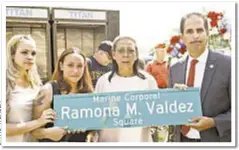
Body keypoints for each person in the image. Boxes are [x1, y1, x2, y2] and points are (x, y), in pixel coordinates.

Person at [169, 12, 231, 142]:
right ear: (183, 37)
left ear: (207, 33)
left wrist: (214, 122)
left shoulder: (228, 65)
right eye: (189, 31)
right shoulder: (175, 69)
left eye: (200, 30)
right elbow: (169, 110)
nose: (195, 36)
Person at [95, 36, 158, 142]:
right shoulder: (103, 81)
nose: (125, 55)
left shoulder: (148, 81)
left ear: (137, 55)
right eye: (120, 51)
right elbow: (94, 113)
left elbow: (158, 112)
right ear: (114, 55)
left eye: (130, 50)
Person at [31, 47, 96, 142]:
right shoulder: (48, 90)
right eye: (70, 65)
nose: (75, 71)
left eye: (80, 66)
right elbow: (33, 131)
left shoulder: (89, 93)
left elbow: (93, 128)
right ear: (61, 66)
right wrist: (48, 133)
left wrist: (91, 135)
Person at [6, 34, 54, 142]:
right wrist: (38, 122)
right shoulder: (5, 84)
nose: (30, 57)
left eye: (33, 53)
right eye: (24, 52)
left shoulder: (37, 84)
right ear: (12, 54)